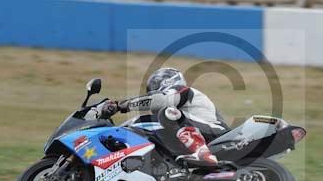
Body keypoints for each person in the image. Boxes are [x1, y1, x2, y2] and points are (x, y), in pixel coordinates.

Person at [92, 68, 228, 166]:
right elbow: (140, 121)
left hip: (216, 133)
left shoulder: (182, 91)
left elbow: (159, 100)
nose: (152, 90)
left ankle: (203, 154)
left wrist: (121, 105)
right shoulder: (172, 116)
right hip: (199, 132)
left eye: (155, 86)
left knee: (168, 113)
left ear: (167, 81)